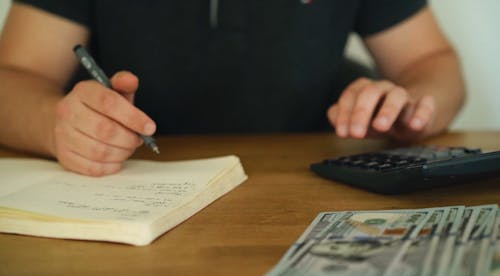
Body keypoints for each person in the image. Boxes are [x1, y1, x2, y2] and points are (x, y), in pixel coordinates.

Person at [0, 1, 465, 176]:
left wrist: (413, 110)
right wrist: (55, 126)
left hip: (305, 193)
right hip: (121, 188)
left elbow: (431, 63)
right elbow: (13, 77)